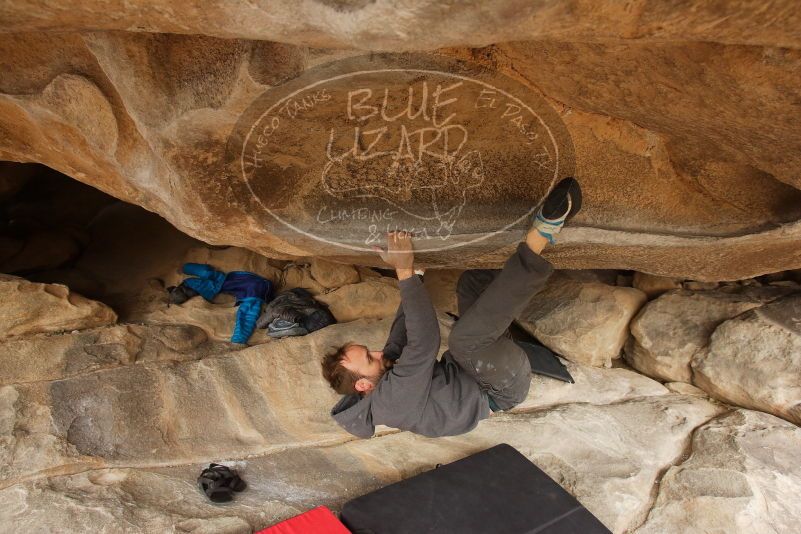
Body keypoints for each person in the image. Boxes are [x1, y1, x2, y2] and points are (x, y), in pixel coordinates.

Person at [322, 178, 582, 438]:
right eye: (369, 359)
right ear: (364, 384)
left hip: (474, 369)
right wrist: (404, 269)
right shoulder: (392, 402)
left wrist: (417, 271)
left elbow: (401, 335)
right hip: (500, 388)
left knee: (472, 283)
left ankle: (519, 256)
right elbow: (424, 342)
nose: (378, 353)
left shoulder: (381, 376)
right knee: (463, 340)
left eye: (370, 352)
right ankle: (542, 234)